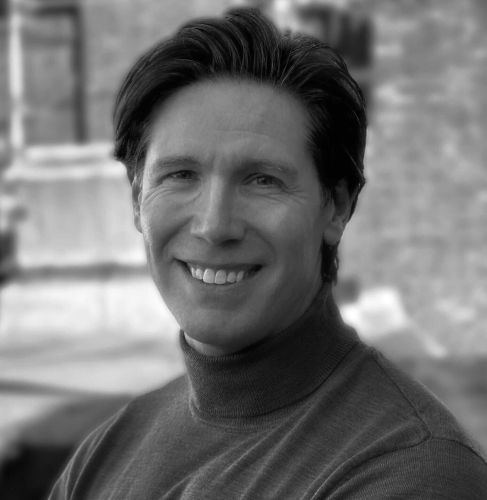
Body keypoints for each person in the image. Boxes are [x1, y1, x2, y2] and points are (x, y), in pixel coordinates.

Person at [49, 8, 487, 499]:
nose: (214, 225)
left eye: (262, 180)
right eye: (180, 175)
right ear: (137, 199)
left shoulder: (411, 469)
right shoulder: (107, 452)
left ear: (336, 207)